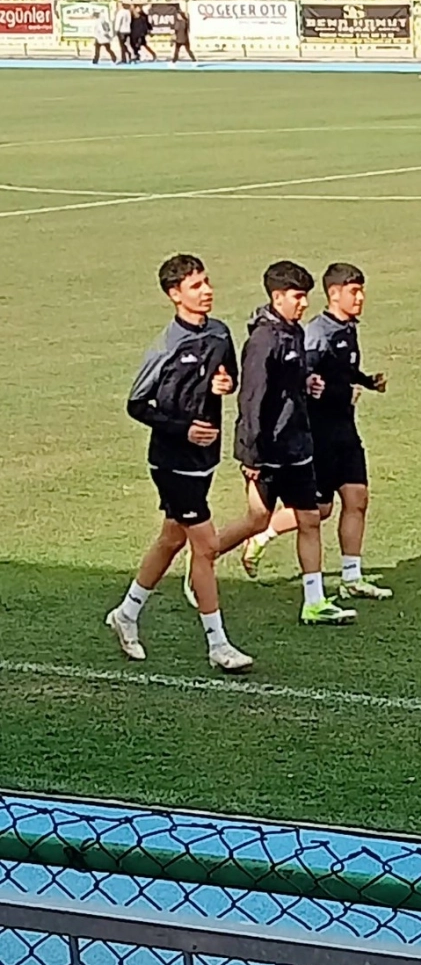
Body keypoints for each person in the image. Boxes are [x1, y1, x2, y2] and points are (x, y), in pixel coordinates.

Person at [105, 254, 254, 674]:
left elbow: (229, 377)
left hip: (204, 459)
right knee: (205, 547)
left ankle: (126, 613)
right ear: (174, 295)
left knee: (172, 539)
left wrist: (225, 384)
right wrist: (183, 429)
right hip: (172, 462)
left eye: (207, 282)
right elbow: (137, 404)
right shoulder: (166, 347)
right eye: (195, 286)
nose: (207, 291)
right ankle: (218, 645)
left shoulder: (220, 332)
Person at [205, 261, 357, 626]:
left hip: (298, 446)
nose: (304, 304)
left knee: (310, 519)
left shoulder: (295, 333)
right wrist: (251, 454)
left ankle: (314, 602)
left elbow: (293, 380)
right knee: (257, 519)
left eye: (305, 297)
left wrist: (309, 382)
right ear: (277, 298)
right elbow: (251, 400)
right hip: (268, 451)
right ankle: (203, 563)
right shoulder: (262, 341)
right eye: (297, 297)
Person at [240, 263, 391, 601]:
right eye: (354, 291)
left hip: (345, 429)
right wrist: (322, 390)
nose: (361, 298)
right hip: (319, 434)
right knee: (319, 511)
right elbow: (299, 380)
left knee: (357, 498)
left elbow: (342, 370)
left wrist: (366, 381)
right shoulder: (317, 334)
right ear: (334, 294)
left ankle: (352, 578)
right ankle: (261, 535)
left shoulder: (347, 328)